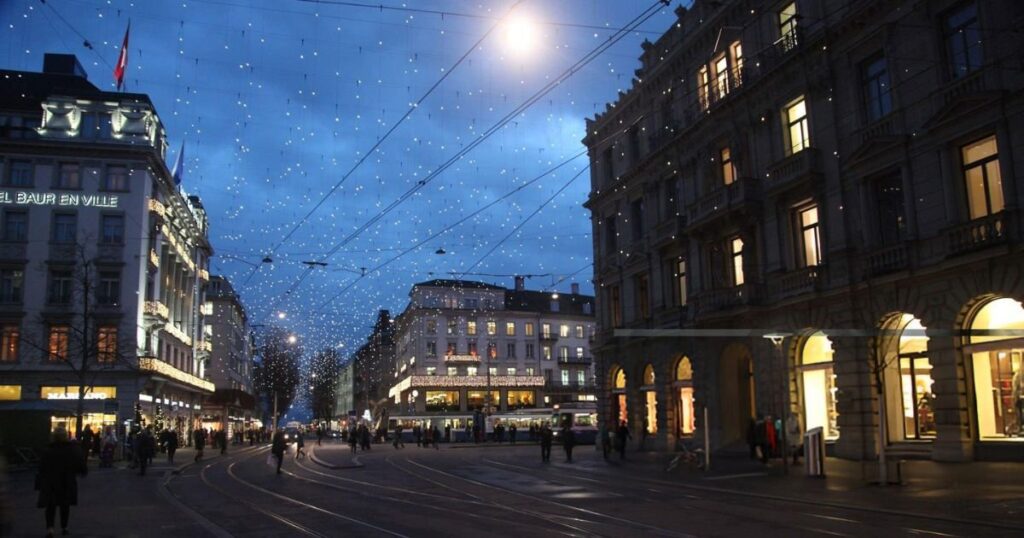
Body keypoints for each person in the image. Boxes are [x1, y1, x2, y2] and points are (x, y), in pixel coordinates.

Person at [36, 428, 87, 538]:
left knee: (50, 506)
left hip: (50, 481)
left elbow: (41, 467)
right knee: (65, 505)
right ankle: (64, 527)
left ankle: (50, 528)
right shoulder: (71, 449)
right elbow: (79, 464)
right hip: (66, 481)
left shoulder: (48, 449)